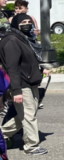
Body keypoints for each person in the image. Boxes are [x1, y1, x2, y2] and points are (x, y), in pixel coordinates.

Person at [0, 20, 49, 155]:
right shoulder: (11, 41)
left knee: (26, 115)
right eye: (23, 22)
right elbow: (13, 67)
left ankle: (2, 133)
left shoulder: (25, 38)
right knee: (29, 116)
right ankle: (31, 146)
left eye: (29, 21)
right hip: (21, 84)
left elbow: (31, 59)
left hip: (31, 81)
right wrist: (16, 91)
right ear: (16, 24)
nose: (27, 24)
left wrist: (42, 68)